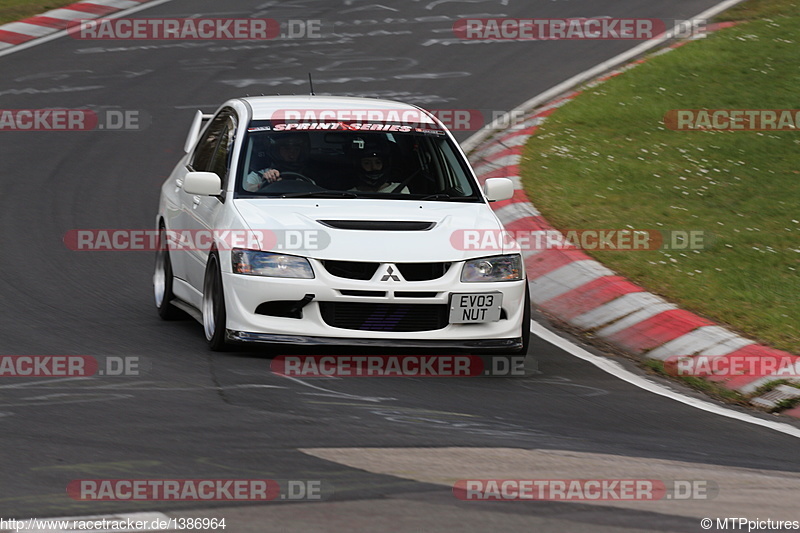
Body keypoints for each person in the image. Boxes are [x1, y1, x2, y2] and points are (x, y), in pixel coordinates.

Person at [244, 133, 315, 192]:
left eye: (296, 149)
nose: (291, 154)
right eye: (287, 149)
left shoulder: (306, 181)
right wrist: (264, 184)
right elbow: (244, 190)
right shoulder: (259, 176)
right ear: (276, 151)